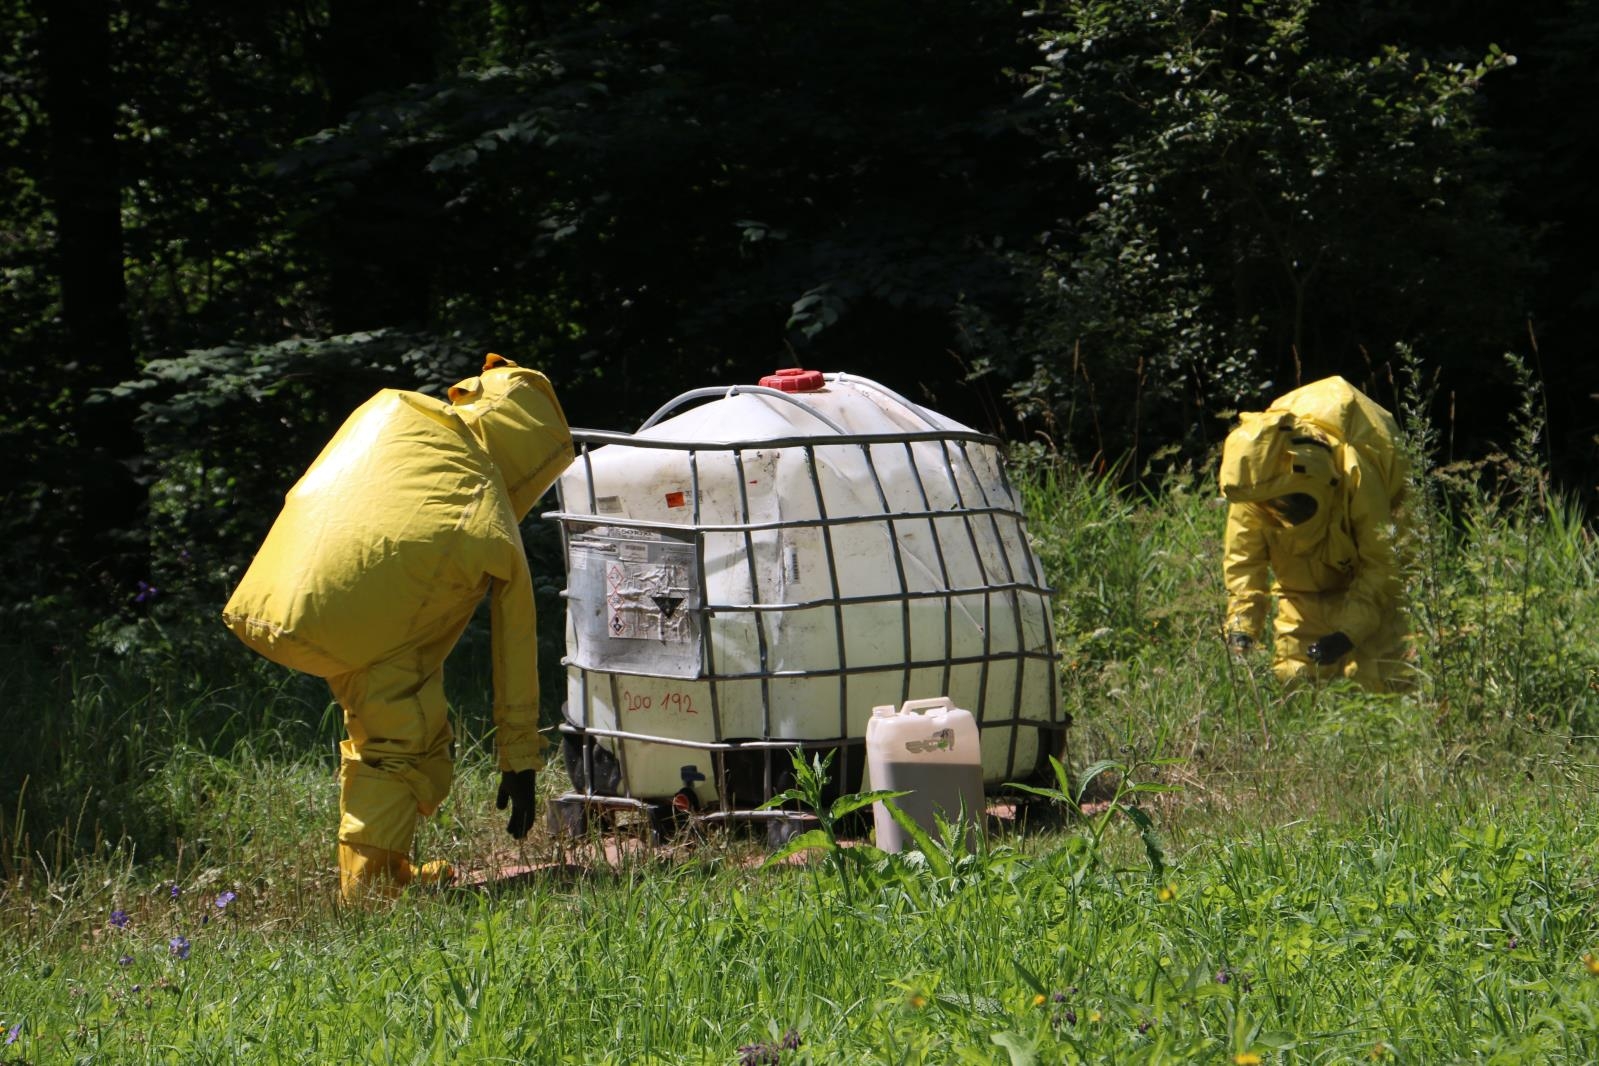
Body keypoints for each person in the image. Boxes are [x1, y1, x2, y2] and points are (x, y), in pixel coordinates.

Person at [223, 355, 573, 900]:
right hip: (355, 624)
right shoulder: (483, 496)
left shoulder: (393, 408)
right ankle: (367, 896)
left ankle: (388, 868)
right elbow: (515, 638)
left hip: (276, 595)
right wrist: (519, 760)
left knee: (391, 727)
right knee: (400, 741)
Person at [1218, 376, 1409, 691]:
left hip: (1373, 562)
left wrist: (1348, 634)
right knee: (1295, 681)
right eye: (1269, 506)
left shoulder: (1356, 475)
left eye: (1286, 504)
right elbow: (1243, 562)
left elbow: (1382, 563)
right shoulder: (1255, 489)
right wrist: (1242, 629)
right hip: (1302, 587)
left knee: (1380, 678)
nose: (1279, 512)